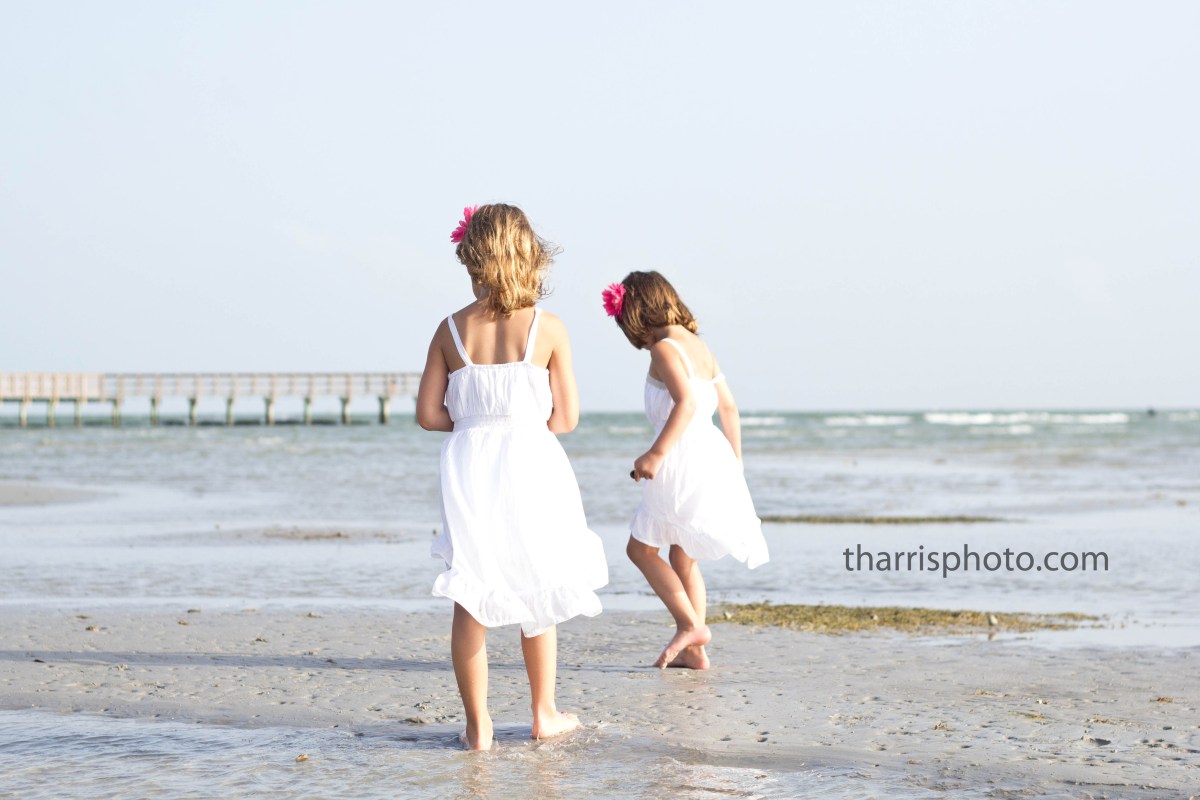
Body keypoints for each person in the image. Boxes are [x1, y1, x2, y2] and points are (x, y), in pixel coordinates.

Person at [417, 203, 608, 751]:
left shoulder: (450, 329)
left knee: (470, 592)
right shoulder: (547, 328)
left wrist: (475, 423)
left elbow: (429, 415)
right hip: (531, 459)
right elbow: (566, 419)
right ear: (529, 256)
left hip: (469, 464)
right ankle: (543, 712)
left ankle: (479, 729)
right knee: (538, 579)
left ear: (472, 256)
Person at [602, 271, 768, 670]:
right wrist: (736, 460)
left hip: (680, 456)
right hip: (711, 455)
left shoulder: (664, 349)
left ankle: (690, 626)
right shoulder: (700, 347)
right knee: (683, 554)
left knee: (639, 548)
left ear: (638, 312)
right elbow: (727, 407)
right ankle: (694, 651)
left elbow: (687, 404)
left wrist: (655, 454)